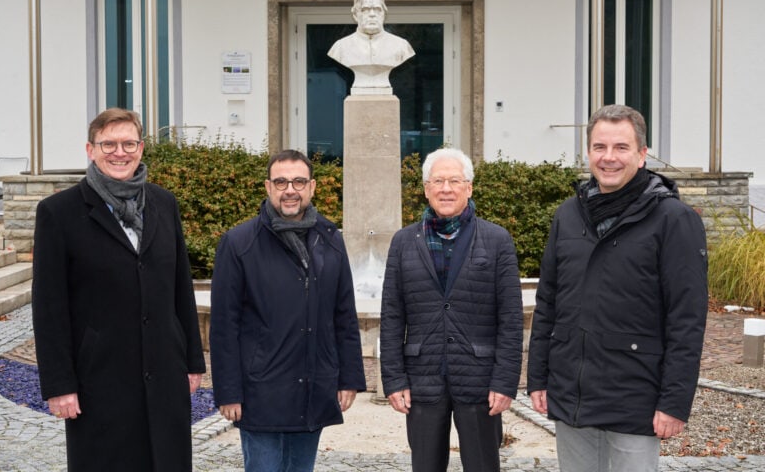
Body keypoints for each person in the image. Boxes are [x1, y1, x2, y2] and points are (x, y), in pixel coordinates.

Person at [527, 104, 708, 472]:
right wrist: (538, 377)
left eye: (621, 148)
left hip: (635, 399)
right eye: (599, 147)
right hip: (572, 396)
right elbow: (548, 302)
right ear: (588, 152)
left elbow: (686, 319)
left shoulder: (674, 221)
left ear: (642, 155)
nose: (609, 158)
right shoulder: (567, 215)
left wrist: (674, 402)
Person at [31, 107, 206, 471]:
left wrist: (191, 361)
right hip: (100, 378)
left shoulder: (163, 203)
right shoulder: (58, 213)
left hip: (165, 373)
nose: (119, 152)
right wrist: (59, 383)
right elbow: (49, 307)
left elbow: (180, 288)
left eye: (128, 143)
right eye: (108, 144)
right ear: (90, 149)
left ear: (141, 148)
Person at [210, 149, 366, 472]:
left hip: (313, 388)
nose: (290, 190)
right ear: (268, 187)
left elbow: (344, 317)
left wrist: (349, 378)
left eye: (298, 181)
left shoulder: (331, 239)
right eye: (281, 182)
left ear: (312, 187)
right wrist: (228, 391)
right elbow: (225, 325)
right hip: (261, 393)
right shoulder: (239, 243)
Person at [380, 147, 524, 472]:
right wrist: (393, 379)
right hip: (423, 380)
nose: (446, 188)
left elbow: (511, 319)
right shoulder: (403, 243)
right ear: (426, 188)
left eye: (454, 181)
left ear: (469, 187)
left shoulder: (497, 240)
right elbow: (391, 316)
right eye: (438, 181)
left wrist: (505, 381)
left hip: (480, 381)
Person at [328, 0, 415, 93]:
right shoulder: (340, 47)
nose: (372, 14)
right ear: (355, 15)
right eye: (365, 10)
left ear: (384, 14)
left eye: (378, 9)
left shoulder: (401, 46)